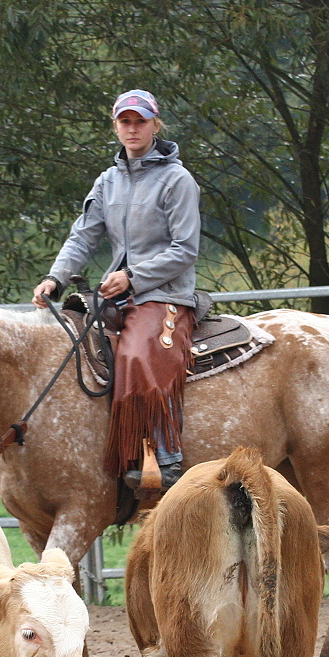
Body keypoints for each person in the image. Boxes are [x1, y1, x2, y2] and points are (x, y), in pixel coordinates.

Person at [34, 89, 200, 491]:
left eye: (140, 121)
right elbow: (82, 238)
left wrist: (134, 277)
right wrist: (55, 278)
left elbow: (185, 250)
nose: (132, 128)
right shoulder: (107, 181)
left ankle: (165, 453)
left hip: (164, 293)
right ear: (115, 127)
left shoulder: (177, 180)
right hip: (118, 293)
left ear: (155, 125)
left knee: (137, 351)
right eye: (125, 121)